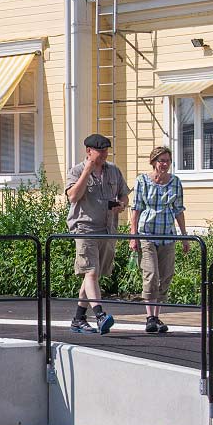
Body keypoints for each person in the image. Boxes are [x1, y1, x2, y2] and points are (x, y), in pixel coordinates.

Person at [63, 133, 128, 334]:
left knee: (94, 275)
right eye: (100, 151)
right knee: (90, 272)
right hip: (85, 228)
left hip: (107, 229)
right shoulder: (76, 171)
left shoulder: (113, 171)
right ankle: (100, 315)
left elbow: (123, 193)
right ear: (89, 151)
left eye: (106, 151)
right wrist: (87, 172)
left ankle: (78, 318)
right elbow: (73, 197)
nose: (104, 155)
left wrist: (122, 205)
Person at [130, 145, 187, 334]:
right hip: (146, 233)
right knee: (151, 275)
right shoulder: (143, 181)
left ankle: (157, 315)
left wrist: (184, 236)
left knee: (165, 276)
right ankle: (150, 317)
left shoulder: (175, 182)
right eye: (161, 161)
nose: (164, 164)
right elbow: (136, 208)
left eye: (168, 161)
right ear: (154, 161)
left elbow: (178, 210)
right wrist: (133, 236)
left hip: (167, 234)